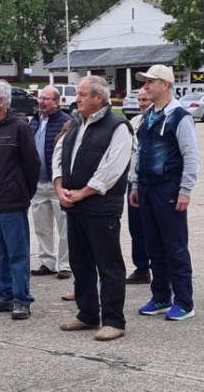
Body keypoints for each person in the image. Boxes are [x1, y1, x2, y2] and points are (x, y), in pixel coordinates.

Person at [53, 76, 133, 341]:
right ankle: (87, 314)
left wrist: (82, 192)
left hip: (101, 207)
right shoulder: (76, 123)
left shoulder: (118, 127)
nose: (78, 99)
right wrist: (60, 187)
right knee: (80, 263)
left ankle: (114, 320)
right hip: (75, 206)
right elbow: (60, 155)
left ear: (99, 98)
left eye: (83, 94)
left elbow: (112, 169)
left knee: (108, 265)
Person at [129, 64, 200, 321]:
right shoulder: (148, 116)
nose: (145, 87)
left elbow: (190, 155)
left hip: (168, 188)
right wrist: (136, 184)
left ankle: (184, 301)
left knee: (175, 246)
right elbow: (140, 153)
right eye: (145, 82)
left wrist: (185, 190)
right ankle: (160, 296)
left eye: (151, 82)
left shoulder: (180, 116)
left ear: (165, 85)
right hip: (147, 188)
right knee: (154, 246)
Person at [0, 80, 41, 321]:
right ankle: (2, 295)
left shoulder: (20, 127)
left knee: (17, 253)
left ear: (1, 102)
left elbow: (32, 165)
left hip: (12, 201)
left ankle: (22, 299)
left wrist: (24, 194)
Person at [28, 85, 72, 280]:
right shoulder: (34, 121)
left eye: (46, 99)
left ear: (57, 101)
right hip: (38, 183)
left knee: (64, 227)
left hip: (58, 184)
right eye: (40, 98)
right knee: (42, 226)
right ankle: (47, 261)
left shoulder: (66, 122)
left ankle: (65, 264)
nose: (42, 102)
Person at [126, 88, 153, 284]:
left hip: (154, 183)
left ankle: (163, 269)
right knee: (136, 227)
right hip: (133, 182)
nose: (141, 103)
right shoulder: (134, 122)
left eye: (145, 99)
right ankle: (142, 268)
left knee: (155, 228)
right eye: (139, 100)